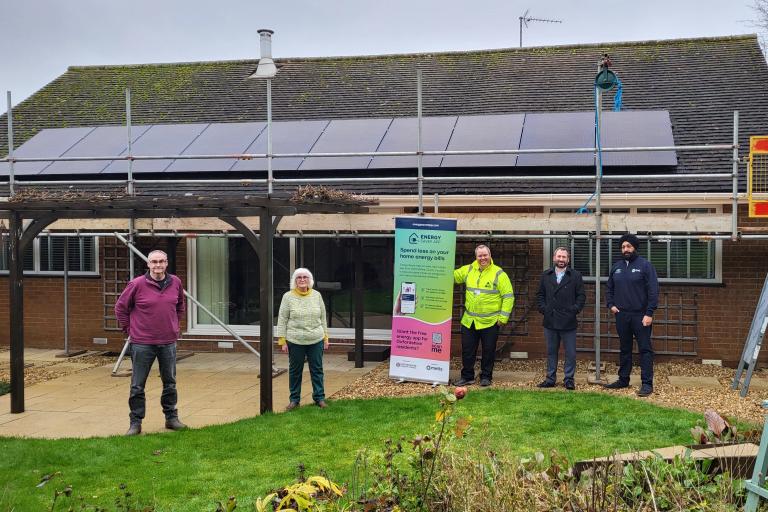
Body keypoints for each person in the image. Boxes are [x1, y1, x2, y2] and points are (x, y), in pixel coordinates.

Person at [115, 250, 187, 436]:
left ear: (167, 263)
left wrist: (174, 326)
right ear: (148, 264)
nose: (158, 265)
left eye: (161, 261)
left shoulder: (176, 282)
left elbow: (180, 306)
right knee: (137, 385)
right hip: (142, 343)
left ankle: (171, 418)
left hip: (168, 342)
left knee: (170, 382)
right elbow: (121, 308)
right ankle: (135, 423)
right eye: (154, 262)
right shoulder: (137, 284)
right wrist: (129, 330)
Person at [604, 233, 659, 397]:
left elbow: (653, 291)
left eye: (628, 246)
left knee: (645, 349)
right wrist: (611, 305)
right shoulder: (616, 267)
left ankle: (647, 383)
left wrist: (649, 313)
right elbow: (609, 288)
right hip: (622, 316)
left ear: (635, 247)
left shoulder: (645, 266)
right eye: (623, 247)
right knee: (625, 348)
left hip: (641, 316)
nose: (625, 249)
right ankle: (623, 379)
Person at [453, 244, 514, 387]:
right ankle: (467, 376)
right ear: (476, 257)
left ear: (490, 255)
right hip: (470, 320)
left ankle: (486, 376)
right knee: (468, 351)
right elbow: (452, 276)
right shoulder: (468, 270)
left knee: (488, 351)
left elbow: (508, 297)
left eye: (485, 255)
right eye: (480, 256)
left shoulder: (499, 274)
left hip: (490, 321)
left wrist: (503, 318)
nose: (482, 258)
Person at [277, 268, 330, 411]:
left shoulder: (317, 295)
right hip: (295, 340)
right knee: (295, 371)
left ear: (310, 280)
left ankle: (319, 398)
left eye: (305, 277)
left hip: (316, 339)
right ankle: (294, 400)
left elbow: (323, 317)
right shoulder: (287, 297)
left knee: (317, 369)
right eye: (299, 277)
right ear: (295, 280)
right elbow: (282, 319)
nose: (302, 279)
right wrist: (282, 340)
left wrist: (326, 337)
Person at [536, 247, 586, 390]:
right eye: (559, 256)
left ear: (568, 260)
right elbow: (540, 295)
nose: (561, 259)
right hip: (550, 320)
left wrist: (574, 310)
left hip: (568, 320)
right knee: (551, 351)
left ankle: (569, 379)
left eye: (564, 257)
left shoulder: (575, 276)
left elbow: (581, 296)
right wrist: (544, 309)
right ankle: (550, 378)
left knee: (570, 353)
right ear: (554, 258)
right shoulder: (546, 275)